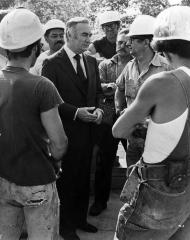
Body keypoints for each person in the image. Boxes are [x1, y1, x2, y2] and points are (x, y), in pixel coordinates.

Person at [113, 6, 190, 240]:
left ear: (160, 45)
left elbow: (119, 129)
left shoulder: (163, 82)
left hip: (158, 189)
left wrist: (145, 122)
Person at [0, 8, 68, 240]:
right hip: (37, 181)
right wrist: (54, 162)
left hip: (3, 179)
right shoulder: (42, 86)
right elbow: (59, 143)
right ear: (37, 46)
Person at [42, 17, 103, 240]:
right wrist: (76, 113)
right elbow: (49, 101)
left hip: (88, 134)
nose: (89, 39)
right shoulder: (52, 63)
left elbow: (96, 93)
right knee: (66, 182)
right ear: (69, 34)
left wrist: (98, 111)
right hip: (64, 134)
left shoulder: (92, 62)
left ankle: (80, 219)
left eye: (90, 34)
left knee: (84, 179)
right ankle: (65, 227)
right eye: (84, 35)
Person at [115, 14, 170, 168]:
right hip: (133, 141)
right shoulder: (129, 67)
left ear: (146, 42)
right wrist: (119, 110)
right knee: (132, 184)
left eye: (132, 40)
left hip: (158, 141)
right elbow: (119, 89)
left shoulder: (166, 68)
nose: (127, 43)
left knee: (154, 183)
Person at [89, 30, 132, 216]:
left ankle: (134, 202)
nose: (121, 46)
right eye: (119, 42)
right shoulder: (106, 64)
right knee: (104, 162)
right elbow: (98, 88)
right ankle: (100, 201)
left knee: (134, 161)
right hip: (108, 119)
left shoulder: (135, 65)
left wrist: (112, 87)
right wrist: (113, 88)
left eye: (126, 43)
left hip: (130, 119)